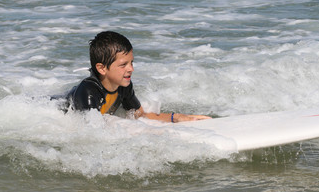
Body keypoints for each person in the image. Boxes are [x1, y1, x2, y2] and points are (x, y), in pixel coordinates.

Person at [60, 31, 211, 123]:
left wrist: (176, 118)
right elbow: (88, 133)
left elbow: (140, 115)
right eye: (123, 65)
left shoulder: (123, 86)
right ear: (102, 68)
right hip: (55, 109)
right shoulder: (88, 92)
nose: (131, 69)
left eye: (131, 62)